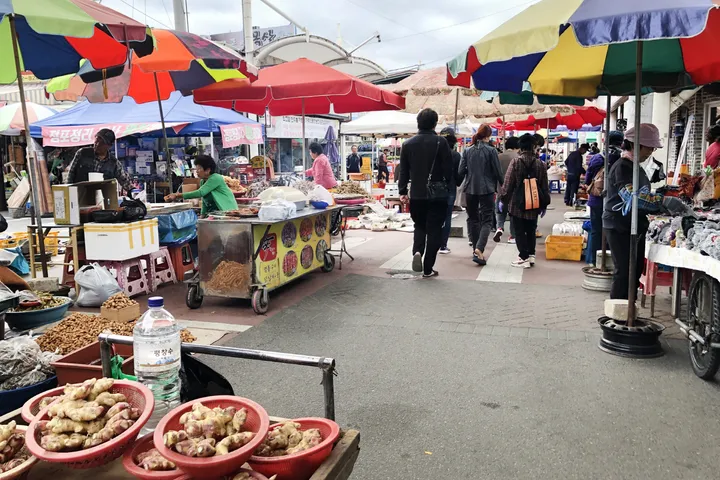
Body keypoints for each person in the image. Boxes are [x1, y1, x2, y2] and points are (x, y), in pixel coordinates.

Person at [603, 124, 666, 300]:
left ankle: (629, 308)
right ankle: (618, 310)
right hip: (619, 225)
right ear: (635, 145)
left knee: (634, 270)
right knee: (624, 272)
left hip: (632, 225)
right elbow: (633, 198)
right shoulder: (623, 167)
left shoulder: (634, 166)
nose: (651, 151)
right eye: (649, 147)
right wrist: (661, 201)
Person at [398, 108, 452, 278]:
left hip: (417, 194)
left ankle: (417, 251)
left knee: (419, 225)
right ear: (435, 124)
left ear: (418, 123)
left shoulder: (408, 144)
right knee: (435, 229)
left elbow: (403, 172)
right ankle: (428, 268)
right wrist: (450, 186)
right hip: (438, 194)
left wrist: (402, 191)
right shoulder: (441, 142)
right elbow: (449, 169)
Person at [500, 133, 551, 268]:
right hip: (534, 201)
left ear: (521, 147)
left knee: (519, 230)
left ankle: (523, 257)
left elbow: (508, 183)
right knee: (531, 229)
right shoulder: (541, 164)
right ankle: (531, 255)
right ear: (534, 147)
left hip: (517, 203)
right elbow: (544, 186)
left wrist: (503, 199)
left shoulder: (516, 162)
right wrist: (544, 204)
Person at [458, 124, 504, 266]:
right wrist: (503, 186)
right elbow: (498, 171)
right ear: (488, 135)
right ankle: (479, 248)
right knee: (487, 220)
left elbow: (461, 172)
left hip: (470, 188)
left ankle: (475, 250)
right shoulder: (491, 151)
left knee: (473, 219)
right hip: (487, 189)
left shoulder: (467, 151)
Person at [585, 131, 624, 266]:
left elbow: (588, 179)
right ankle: (610, 261)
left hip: (596, 199)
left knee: (596, 231)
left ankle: (594, 260)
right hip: (616, 201)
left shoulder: (597, 158)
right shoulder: (622, 159)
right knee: (613, 232)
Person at [165, 154, 238, 215]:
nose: (197, 171)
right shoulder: (203, 181)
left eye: (199, 169)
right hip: (214, 214)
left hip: (227, 212)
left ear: (208, 170)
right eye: (196, 169)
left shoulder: (216, 178)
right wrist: (202, 214)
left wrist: (177, 195)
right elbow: (205, 201)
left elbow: (200, 193)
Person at [67, 128, 133, 192]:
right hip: (79, 194)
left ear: (109, 146)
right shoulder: (82, 153)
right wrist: (69, 191)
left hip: (102, 197)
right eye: (97, 140)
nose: (97, 144)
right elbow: (71, 174)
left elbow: (124, 181)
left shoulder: (114, 163)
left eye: (102, 143)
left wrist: (132, 191)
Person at [438, 127, 462, 255]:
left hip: (435, 188)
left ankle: (433, 243)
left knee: (435, 216)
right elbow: (458, 176)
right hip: (450, 188)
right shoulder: (456, 155)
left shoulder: (435, 153)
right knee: (447, 217)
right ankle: (443, 245)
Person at [494, 136, 519, 244]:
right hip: (514, 190)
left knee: (500, 211)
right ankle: (512, 236)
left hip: (500, 189)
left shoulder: (498, 157)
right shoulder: (518, 157)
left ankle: (499, 227)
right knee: (513, 213)